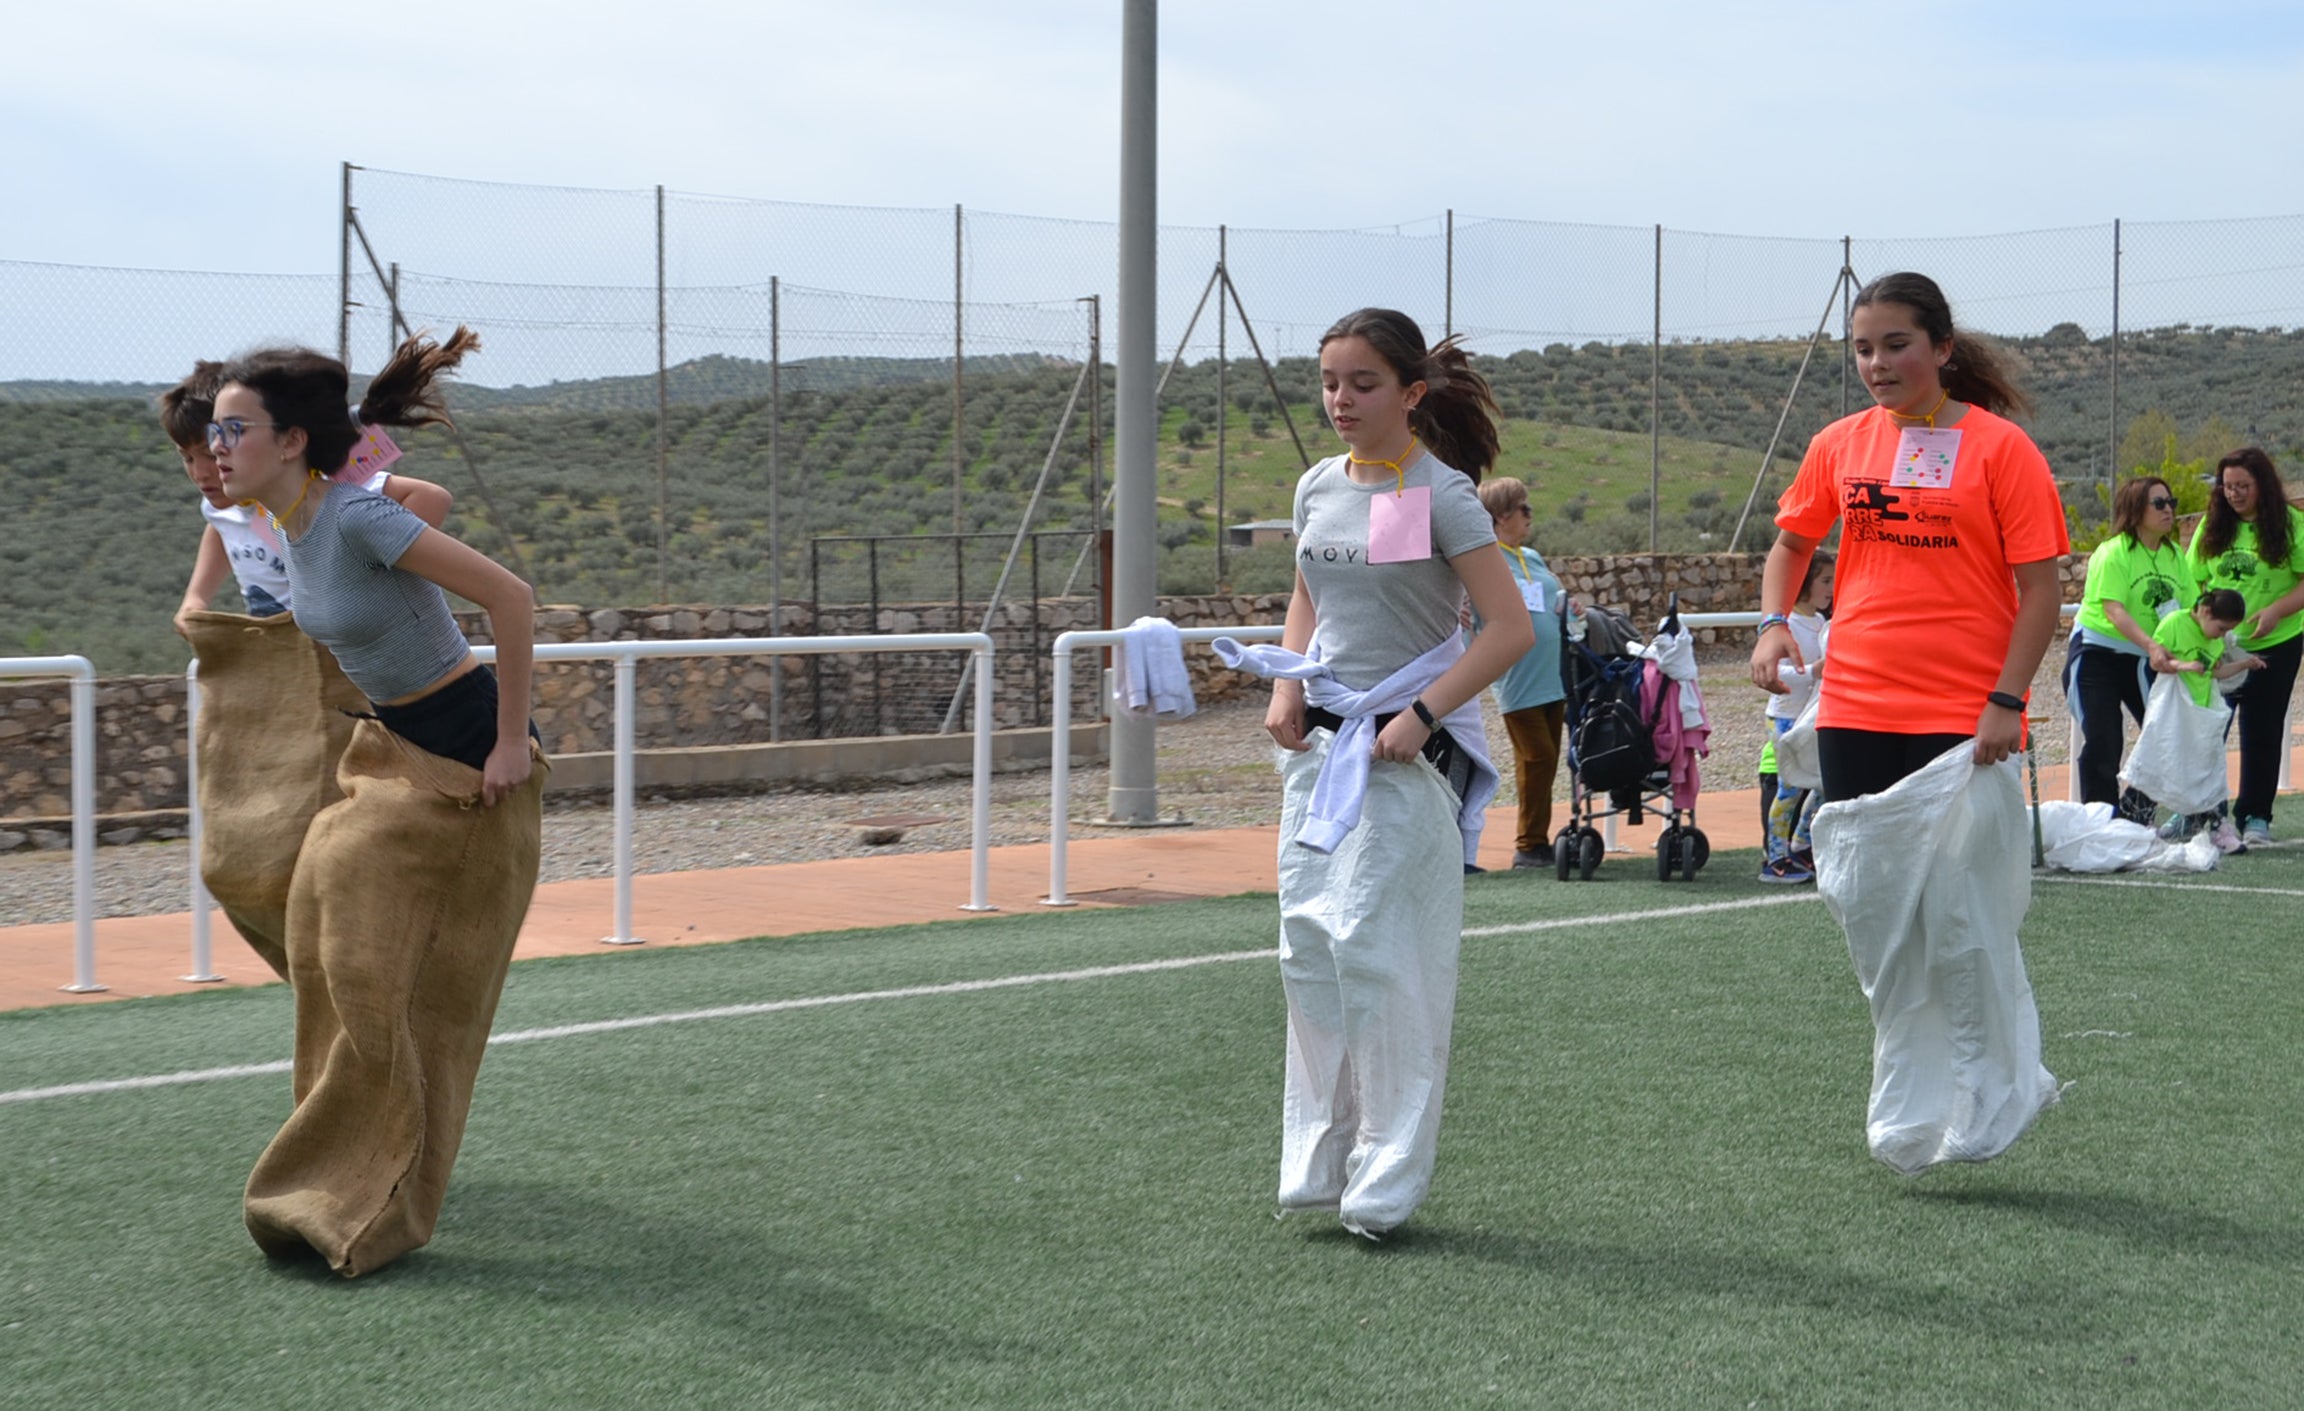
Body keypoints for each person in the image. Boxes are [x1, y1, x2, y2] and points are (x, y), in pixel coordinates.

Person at [210, 328, 548, 1278]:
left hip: (461, 747)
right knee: (319, 930)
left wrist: (511, 739)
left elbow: (512, 599)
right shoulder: (292, 522)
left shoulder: (356, 517)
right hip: (390, 746)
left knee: (376, 972)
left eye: (236, 429)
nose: (218, 447)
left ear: (291, 441)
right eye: (215, 429)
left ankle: (373, 1200)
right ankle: (332, 1170)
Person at [1748, 272, 2069, 1172]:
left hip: (1965, 720)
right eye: (1862, 348)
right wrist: (1775, 621)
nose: (1877, 364)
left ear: (1941, 349)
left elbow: (2042, 590)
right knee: (1875, 909)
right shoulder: (1839, 445)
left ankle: (1990, 1085)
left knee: (1961, 916)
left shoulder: (2002, 450)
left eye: (1895, 345)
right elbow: (1790, 542)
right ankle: (1908, 1092)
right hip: (1856, 708)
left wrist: (2007, 699)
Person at [1230, 308, 1530, 1240]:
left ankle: (1387, 1177)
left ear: (1411, 392)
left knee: (1380, 954)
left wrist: (1424, 713)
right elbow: (1310, 592)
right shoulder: (1318, 485)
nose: (1340, 399)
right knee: (1310, 950)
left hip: (1406, 756)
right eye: (1328, 381)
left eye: (1362, 383)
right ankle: (1321, 1161)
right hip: (1321, 755)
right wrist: (1288, 681)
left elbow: (1511, 629)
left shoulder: (1444, 497)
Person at [162, 361, 451, 629]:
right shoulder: (221, 507)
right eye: (187, 458)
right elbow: (221, 527)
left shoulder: (323, 496)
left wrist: (369, 580)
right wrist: (195, 598)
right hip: (284, 655)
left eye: (211, 454)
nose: (200, 473)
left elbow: (430, 497)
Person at [2184, 448, 2304, 847]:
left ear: (2262, 486)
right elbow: (2193, 583)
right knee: (2208, 726)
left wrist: (2276, 610)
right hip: (2220, 647)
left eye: (2242, 486)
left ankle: (2255, 815)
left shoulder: (2291, 526)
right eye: (2227, 486)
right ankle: (2199, 811)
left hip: (2277, 643)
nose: (2233, 494)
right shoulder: (2212, 527)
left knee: (2263, 730)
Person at [2066, 474, 2192, 819]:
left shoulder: (2173, 555)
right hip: (2097, 654)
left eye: (2171, 503)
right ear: (2135, 510)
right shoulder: (2113, 553)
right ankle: (2100, 820)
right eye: (2159, 504)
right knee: (2105, 739)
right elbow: (2114, 611)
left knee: (2166, 733)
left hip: (2142, 658)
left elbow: (2188, 610)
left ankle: (2134, 811)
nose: (2169, 510)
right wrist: (2153, 646)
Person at [1470, 476, 1568, 869]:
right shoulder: (1484, 560)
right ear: (1500, 516)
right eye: (1523, 507)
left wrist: (1570, 610)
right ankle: (1528, 844)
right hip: (1517, 677)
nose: (1530, 514)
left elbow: (1551, 601)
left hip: (1553, 676)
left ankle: (1537, 840)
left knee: (1546, 759)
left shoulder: (1533, 557)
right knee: (1537, 757)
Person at [1758, 552, 1832, 883]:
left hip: (1811, 717)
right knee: (1789, 790)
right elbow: (1774, 670)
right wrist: (1813, 672)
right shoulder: (1786, 624)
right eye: (1825, 581)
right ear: (1803, 584)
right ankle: (1774, 856)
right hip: (1785, 717)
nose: (1831, 589)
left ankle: (1802, 846)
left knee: (1823, 784)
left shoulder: (1820, 623)